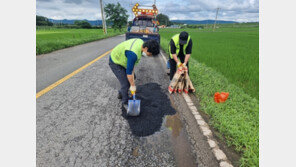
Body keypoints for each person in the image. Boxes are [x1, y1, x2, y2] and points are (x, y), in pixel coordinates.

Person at [109, 38, 160, 110]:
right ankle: (125, 102)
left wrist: (132, 82)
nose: (150, 56)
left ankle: (121, 93)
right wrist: (132, 85)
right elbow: (129, 72)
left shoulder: (141, 43)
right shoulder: (133, 54)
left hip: (124, 61)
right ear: (146, 48)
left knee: (133, 78)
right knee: (126, 84)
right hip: (115, 61)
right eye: (150, 54)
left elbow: (131, 66)